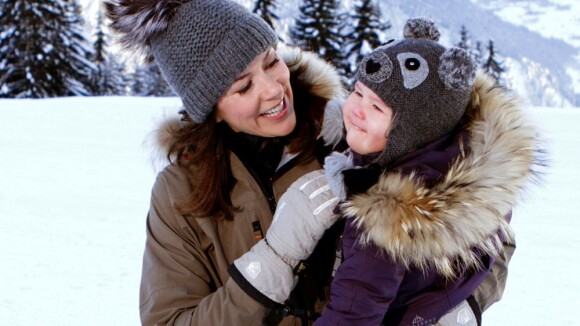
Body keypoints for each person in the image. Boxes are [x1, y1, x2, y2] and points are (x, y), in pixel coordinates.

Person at [105, 1, 515, 324]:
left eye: (270, 61)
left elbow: (490, 227)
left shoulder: (356, 135)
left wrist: (456, 310)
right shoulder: (179, 194)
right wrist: (273, 259)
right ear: (211, 108)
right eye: (243, 86)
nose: (272, 90)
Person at [309, 18, 544, 326]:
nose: (355, 109)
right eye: (357, 91)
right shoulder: (467, 170)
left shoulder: (387, 214)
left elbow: (353, 312)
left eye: (377, 108)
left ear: (413, 129)